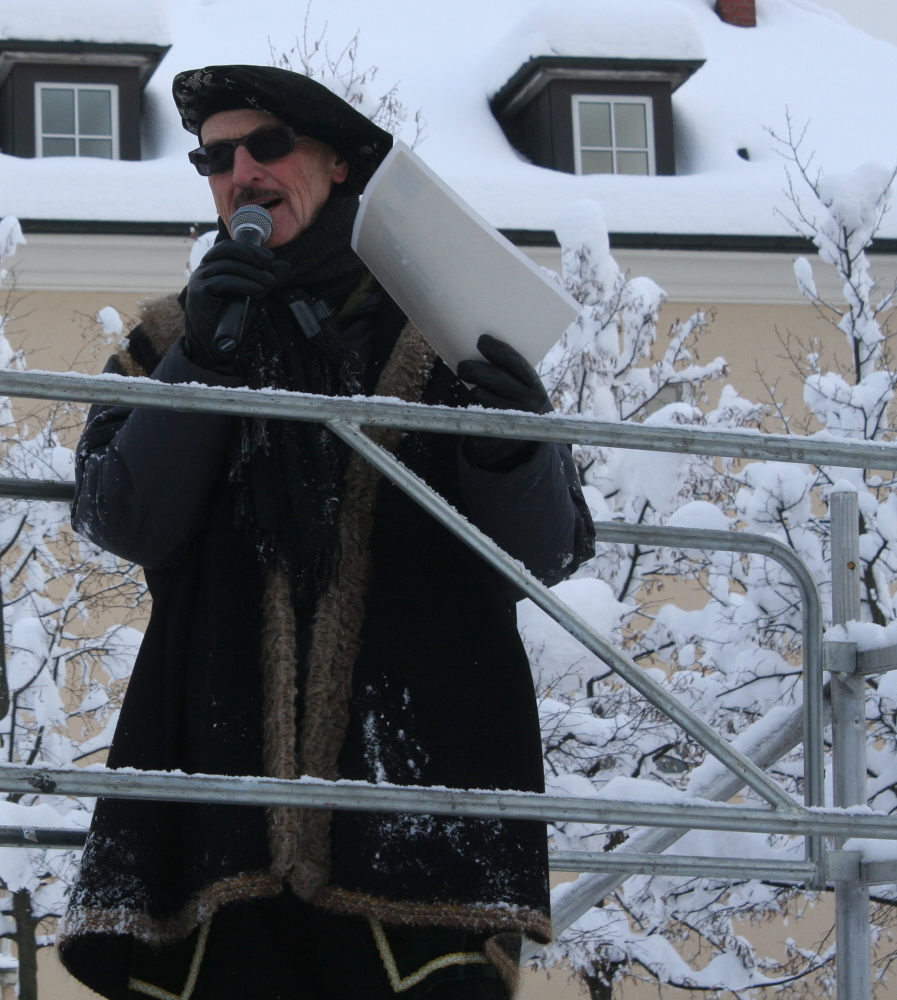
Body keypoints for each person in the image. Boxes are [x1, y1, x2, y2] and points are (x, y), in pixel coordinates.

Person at [58, 65, 595, 1000]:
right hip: (220, 812)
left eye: (266, 146)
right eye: (215, 159)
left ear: (339, 164)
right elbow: (124, 515)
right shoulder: (168, 341)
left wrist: (514, 442)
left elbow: (541, 552)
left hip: (416, 801)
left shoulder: (449, 333)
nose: (241, 175)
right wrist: (202, 362)